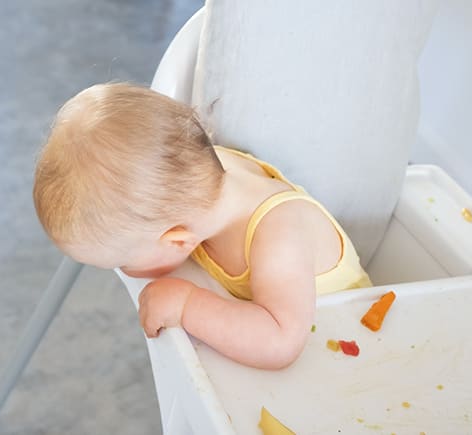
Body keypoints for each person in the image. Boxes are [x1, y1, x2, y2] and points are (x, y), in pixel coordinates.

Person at [33, 82, 371, 369]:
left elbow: (281, 341)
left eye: (124, 263)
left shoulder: (277, 237)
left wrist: (187, 305)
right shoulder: (195, 178)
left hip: (351, 350)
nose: (125, 272)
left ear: (178, 241)